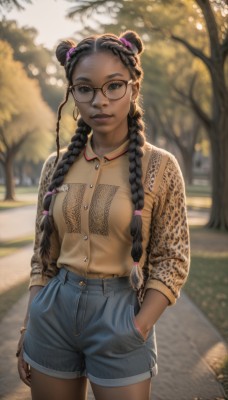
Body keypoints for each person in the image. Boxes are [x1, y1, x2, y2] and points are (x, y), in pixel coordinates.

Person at [17, 30, 190, 400]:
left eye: (114, 86)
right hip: (52, 317)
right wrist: (29, 326)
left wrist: (139, 327)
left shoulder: (160, 167)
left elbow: (172, 258)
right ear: (72, 94)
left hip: (121, 316)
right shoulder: (55, 166)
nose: (100, 101)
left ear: (134, 87)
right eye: (85, 89)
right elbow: (42, 256)